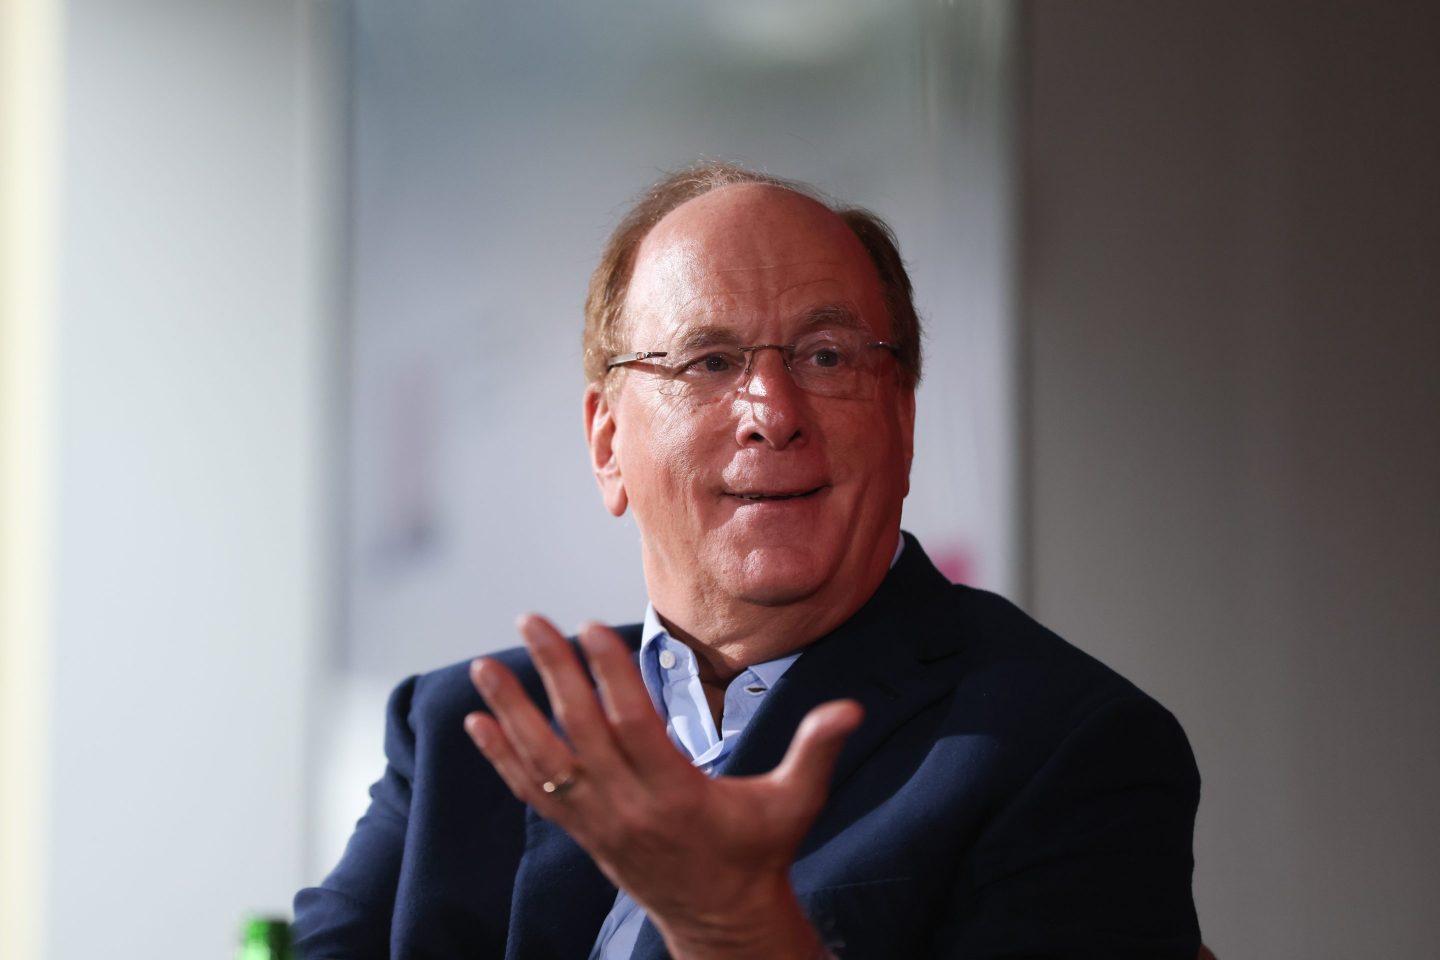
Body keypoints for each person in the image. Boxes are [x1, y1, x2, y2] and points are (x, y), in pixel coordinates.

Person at [294, 163, 1202, 959]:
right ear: (607, 446)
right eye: (710, 360)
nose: (772, 407)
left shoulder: (1069, 747)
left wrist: (737, 933)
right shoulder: (462, 732)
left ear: (904, 419)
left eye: (826, 354)